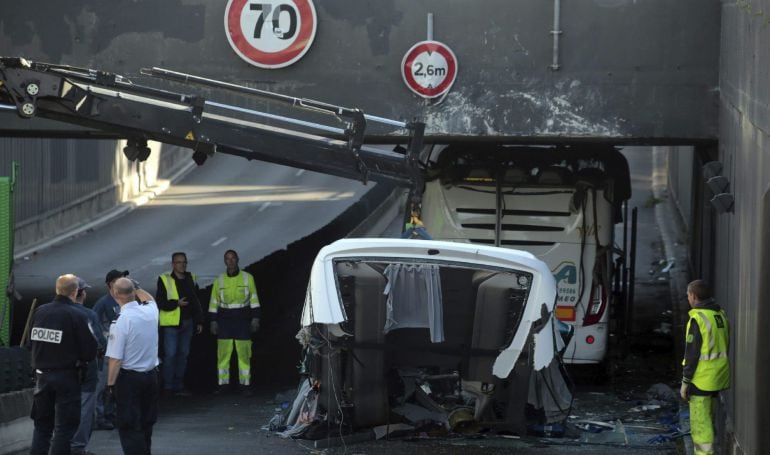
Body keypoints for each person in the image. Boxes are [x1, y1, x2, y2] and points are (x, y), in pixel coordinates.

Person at [29, 274, 98, 455]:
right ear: (75, 292)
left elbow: (32, 342)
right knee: (64, 428)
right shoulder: (77, 315)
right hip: (66, 378)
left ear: (57, 290)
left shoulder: (40, 312)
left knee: (42, 427)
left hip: (41, 377)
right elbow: (90, 351)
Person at [106, 277, 160, 455]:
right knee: (146, 424)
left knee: (129, 427)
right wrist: (136, 286)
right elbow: (149, 298)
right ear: (133, 292)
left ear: (115, 294)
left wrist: (110, 385)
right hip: (151, 376)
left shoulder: (121, 321)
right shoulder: (151, 311)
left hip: (129, 380)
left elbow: (115, 359)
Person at [680, 279, 730, 455]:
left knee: (701, 428)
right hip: (718, 378)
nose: (688, 299)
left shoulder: (697, 319)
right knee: (709, 422)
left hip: (701, 380)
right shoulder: (720, 315)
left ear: (693, 296)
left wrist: (685, 381)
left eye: (688, 295)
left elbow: (691, 355)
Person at [209, 249, 260, 396]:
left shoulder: (247, 278)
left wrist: (256, 319)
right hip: (224, 321)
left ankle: (245, 385)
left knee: (244, 355)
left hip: (242, 321)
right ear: (224, 261)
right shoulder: (219, 280)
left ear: (237, 259)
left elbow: (254, 300)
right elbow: (213, 302)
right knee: (223, 356)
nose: (230, 261)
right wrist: (213, 321)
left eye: (232, 258)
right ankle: (223, 385)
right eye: (227, 259)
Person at [156, 252, 203, 397]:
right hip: (171, 324)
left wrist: (199, 320)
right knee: (170, 355)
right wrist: (176, 303)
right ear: (173, 264)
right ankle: (168, 387)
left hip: (188, 322)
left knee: (183, 355)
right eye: (178, 262)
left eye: (184, 262)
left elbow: (197, 301)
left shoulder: (191, 278)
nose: (182, 265)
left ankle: (179, 385)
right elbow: (160, 302)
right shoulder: (164, 280)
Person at [71, 278, 107, 455]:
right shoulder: (88, 315)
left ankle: (61, 444)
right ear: (81, 293)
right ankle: (77, 447)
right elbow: (99, 342)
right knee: (85, 409)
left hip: (58, 370)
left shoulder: (48, 311)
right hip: (85, 371)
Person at [92, 269, 128, 430]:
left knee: (117, 386)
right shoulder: (103, 303)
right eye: (118, 280)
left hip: (121, 352)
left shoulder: (125, 301)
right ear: (110, 285)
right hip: (107, 354)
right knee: (104, 386)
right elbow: (92, 324)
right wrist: (102, 343)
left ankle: (111, 414)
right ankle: (99, 417)